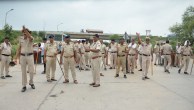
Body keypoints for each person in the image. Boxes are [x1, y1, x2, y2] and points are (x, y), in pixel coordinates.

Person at [15, 26, 35, 92]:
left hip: (30, 56)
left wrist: (25, 30)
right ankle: (24, 85)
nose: (25, 34)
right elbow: (19, 48)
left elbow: (30, 37)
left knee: (31, 71)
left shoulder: (31, 38)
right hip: (22, 56)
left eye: (26, 33)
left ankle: (31, 82)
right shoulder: (21, 39)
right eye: (24, 33)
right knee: (23, 71)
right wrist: (15, 57)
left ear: (28, 33)